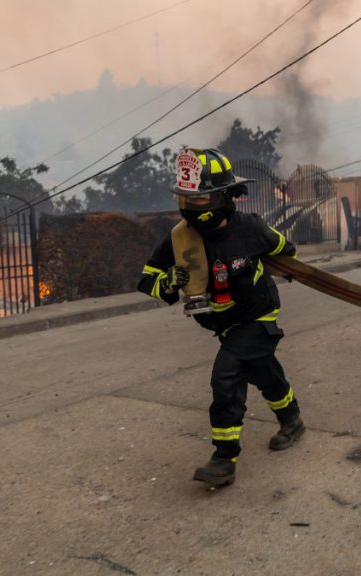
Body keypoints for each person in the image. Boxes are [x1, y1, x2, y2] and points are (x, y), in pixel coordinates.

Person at [137, 147, 303, 487]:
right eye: (186, 199)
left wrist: (274, 258)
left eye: (199, 200)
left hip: (258, 315)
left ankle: (224, 458)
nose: (190, 207)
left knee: (226, 375)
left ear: (223, 196)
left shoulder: (250, 228)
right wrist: (167, 282)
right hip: (224, 324)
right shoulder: (179, 238)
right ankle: (292, 418)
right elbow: (147, 280)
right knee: (263, 371)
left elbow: (285, 250)